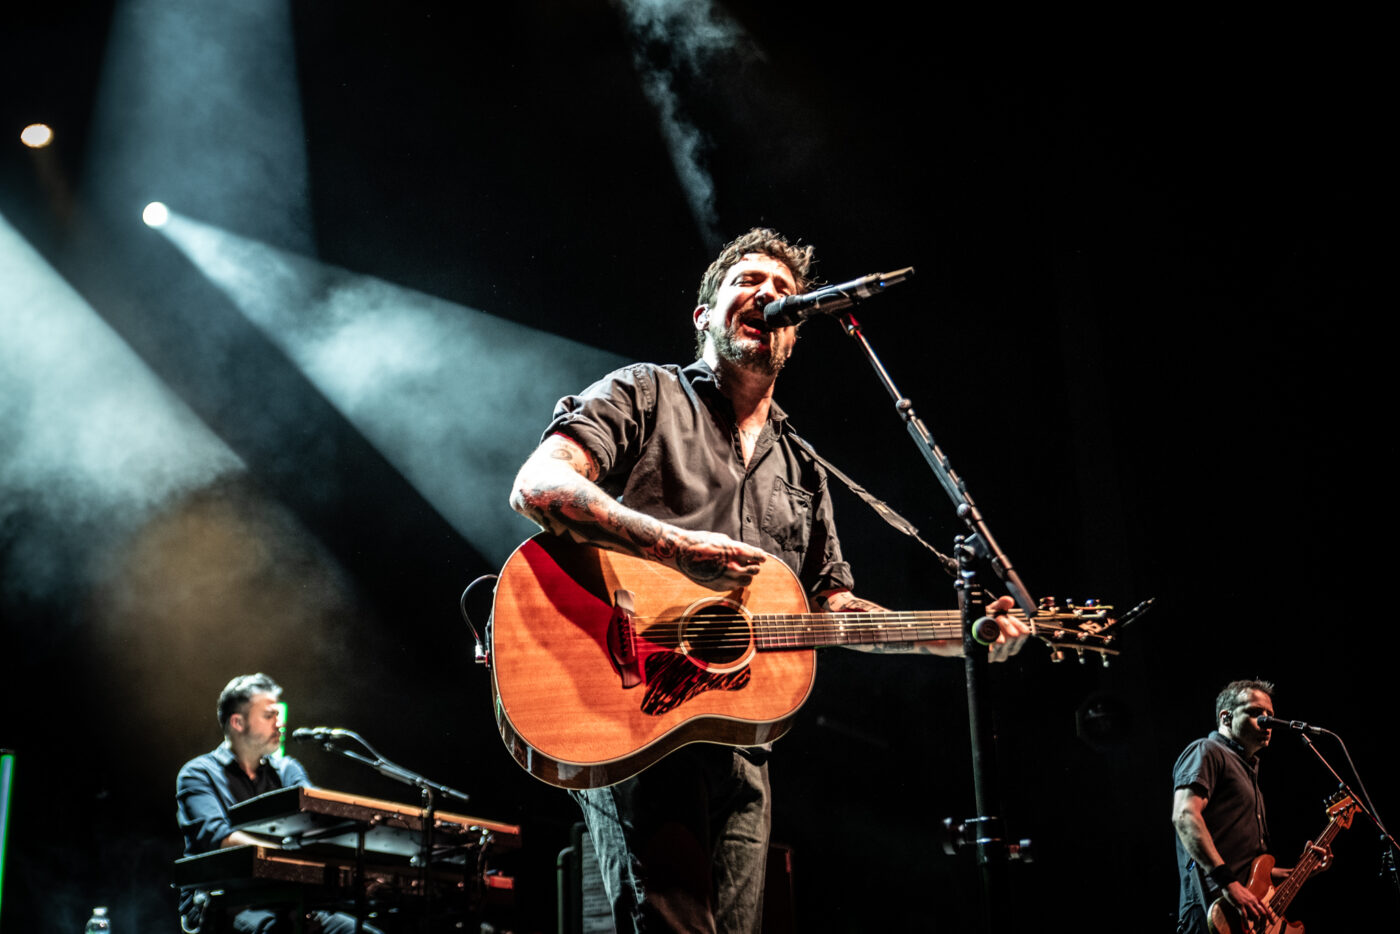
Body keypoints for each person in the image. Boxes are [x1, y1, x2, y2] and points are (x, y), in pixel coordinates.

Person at [509, 227, 1029, 932]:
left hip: (742, 742)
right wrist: (674, 547)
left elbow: (834, 610)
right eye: (748, 281)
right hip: (629, 714)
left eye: (785, 290)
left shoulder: (803, 466)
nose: (769, 295)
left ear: (795, 333)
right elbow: (539, 485)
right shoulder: (647, 393)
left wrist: (957, 635)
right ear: (705, 315)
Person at [176, 673, 381, 934]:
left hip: (289, 902)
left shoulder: (287, 770)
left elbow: (319, 817)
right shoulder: (198, 773)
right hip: (227, 903)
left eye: (279, 714)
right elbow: (218, 838)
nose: (280, 723)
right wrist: (289, 859)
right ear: (238, 722)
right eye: (269, 715)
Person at [1171, 679, 1292, 933]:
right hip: (1213, 909)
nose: (1267, 722)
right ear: (1226, 717)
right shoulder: (1206, 750)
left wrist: (1290, 873)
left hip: (1242, 914)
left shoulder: (1248, 771)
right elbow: (1184, 816)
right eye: (1255, 713)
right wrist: (1229, 883)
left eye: (1270, 715)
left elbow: (1243, 860)